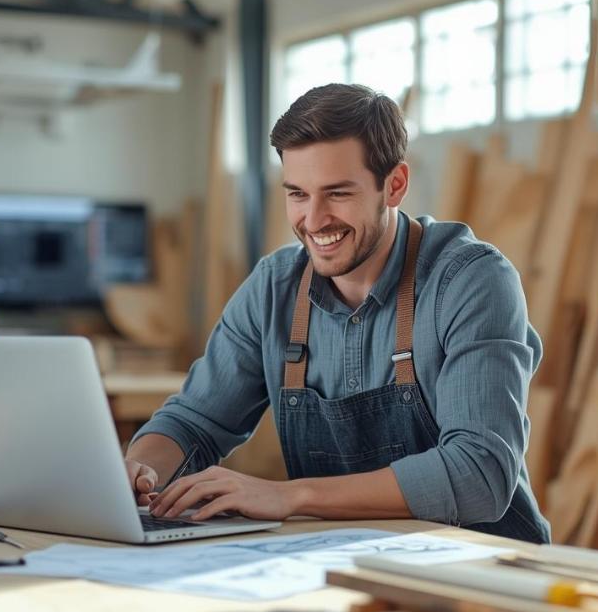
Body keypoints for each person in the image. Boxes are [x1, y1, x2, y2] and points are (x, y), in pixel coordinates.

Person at [124, 83, 549, 543]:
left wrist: (293, 496)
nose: (313, 220)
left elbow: (479, 474)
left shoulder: (471, 281)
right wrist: (139, 470)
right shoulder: (274, 289)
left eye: (338, 193)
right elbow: (193, 422)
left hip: (482, 565)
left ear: (395, 185)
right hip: (342, 560)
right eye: (297, 194)